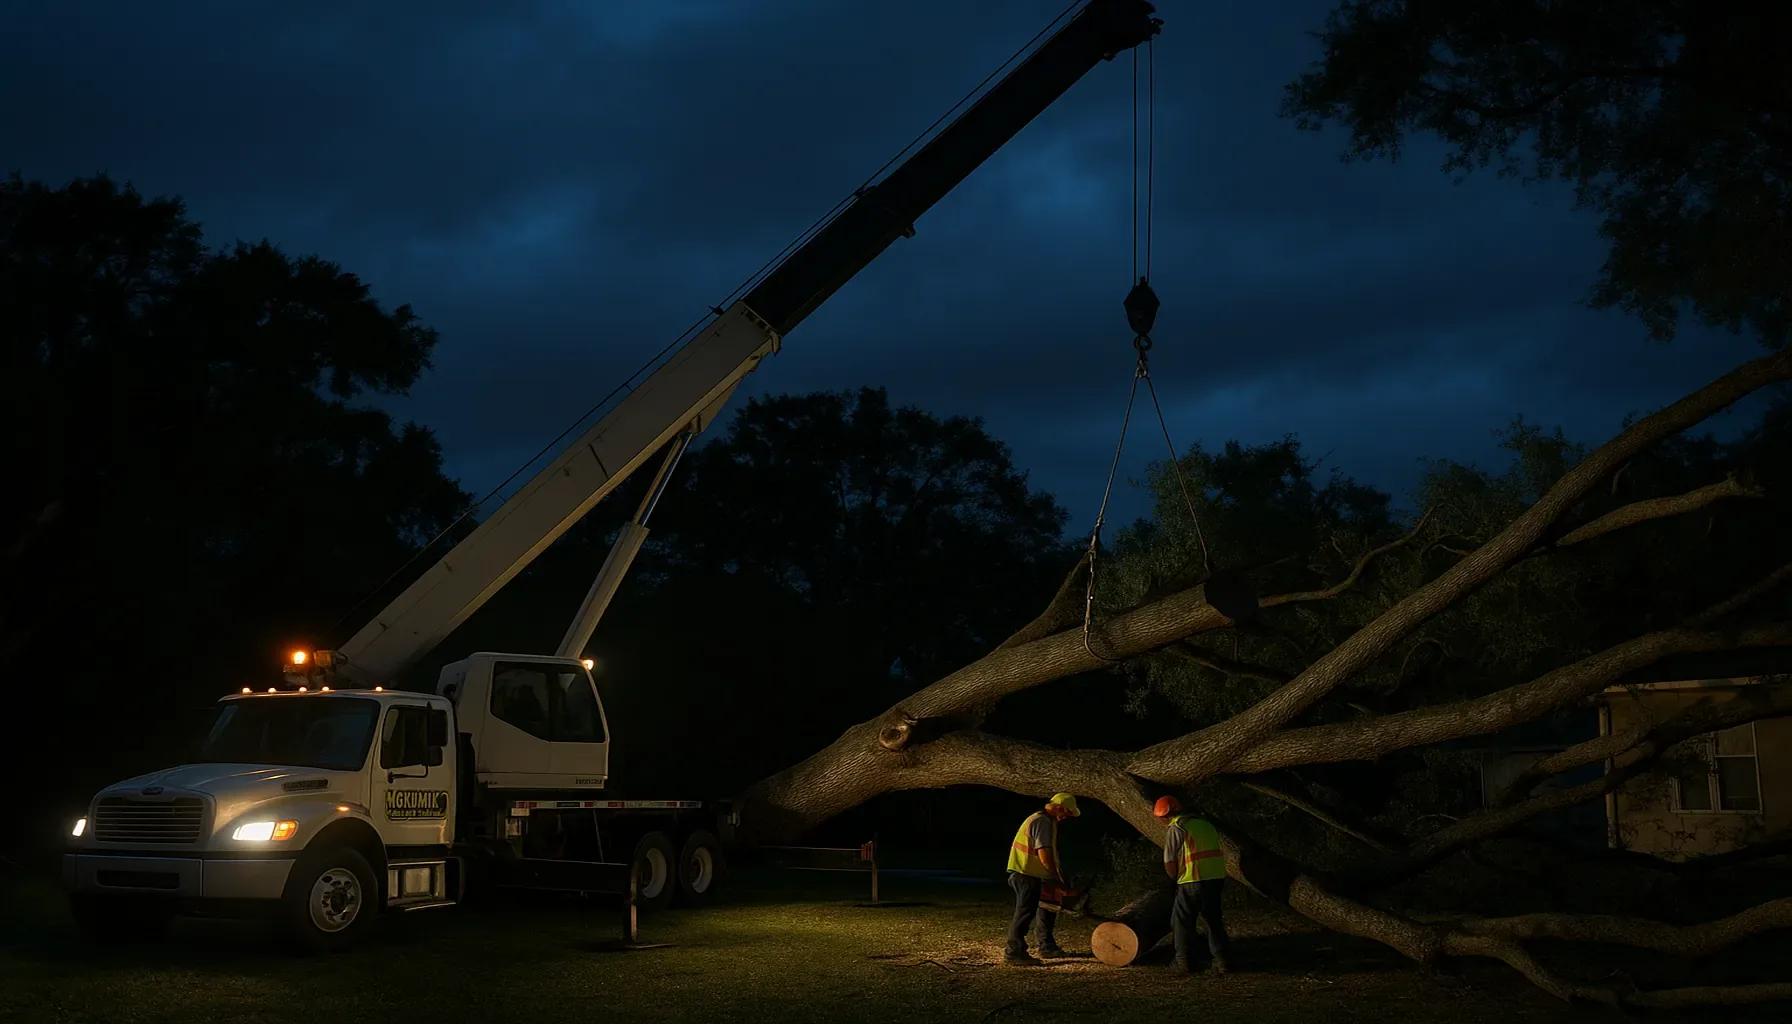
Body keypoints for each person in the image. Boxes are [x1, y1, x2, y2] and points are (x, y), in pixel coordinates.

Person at [1155, 795, 1232, 974]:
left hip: (1192, 879)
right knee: (1212, 919)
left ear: (1164, 816)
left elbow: (1169, 860)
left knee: (1181, 920)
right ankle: (1222, 961)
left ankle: (1184, 962)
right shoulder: (1206, 825)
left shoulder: (1178, 827)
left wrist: (1174, 878)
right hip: (1215, 878)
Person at [1003, 792, 1080, 965]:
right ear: (1059, 807)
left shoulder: (1045, 821)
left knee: (1037, 909)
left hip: (1031, 874)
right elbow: (1044, 854)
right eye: (1067, 813)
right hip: (1026, 874)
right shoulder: (1042, 822)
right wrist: (1055, 878)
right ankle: (1013, 953)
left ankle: (1038, 947)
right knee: (1024, 912)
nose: (1066, 817)